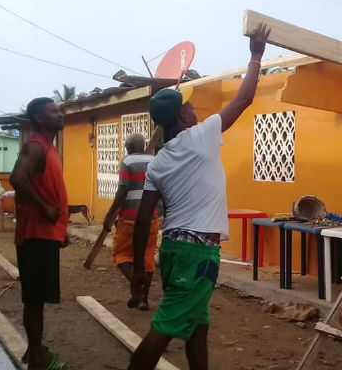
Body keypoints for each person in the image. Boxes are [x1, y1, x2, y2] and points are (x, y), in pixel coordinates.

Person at [126, 23, 270, 370]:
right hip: (198, 252)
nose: (193, 111)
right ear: (181, 116)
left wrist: (143, 269)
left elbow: (143, 218)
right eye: (187, 107)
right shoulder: (201, 136)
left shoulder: (157, 162)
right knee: (163, 329)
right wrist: (255, 55)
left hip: (174, 249)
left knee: (197, 327)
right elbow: (244, 98)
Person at [10, 97, 72, 370]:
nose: (60, 115)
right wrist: (44, 208)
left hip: (47, 233)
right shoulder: (35, 146)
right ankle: (36, 356)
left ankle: (35, 350)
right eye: (53, 111)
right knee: (34, 299)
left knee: (38, 297)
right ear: (38, 118)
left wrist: (60, 227)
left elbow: (49, 190)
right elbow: (17, 178)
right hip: (34, 234)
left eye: (59, 110)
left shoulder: (50, 148)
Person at [103, 129, 162, 310]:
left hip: (129, 219)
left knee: (121, 255)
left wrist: (110, 214)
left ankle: (137, 288)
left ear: (128, 147)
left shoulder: (127, 161)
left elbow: (122, 189)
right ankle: (144, 300)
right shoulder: (154, 161)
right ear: (143, 146)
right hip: (150, 219)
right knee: (147, 258)